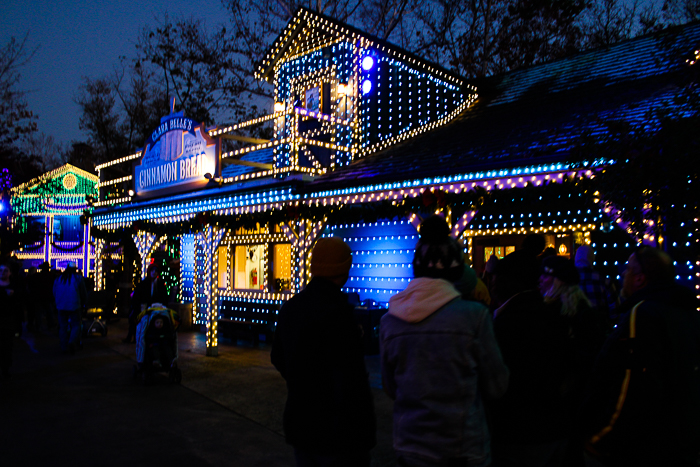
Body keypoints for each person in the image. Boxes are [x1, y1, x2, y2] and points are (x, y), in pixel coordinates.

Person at [381, 216, 509, 467]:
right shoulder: (474, 317)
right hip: (461, 448)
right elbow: (497, 386)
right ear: (456, 272)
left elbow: (390, 386)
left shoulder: (390, 320)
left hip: (410, 444)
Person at [584, 247, 700, 466]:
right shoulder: (686, 312)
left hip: (644, 446)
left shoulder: (643, 314)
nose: (623, 275)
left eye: (627, 270)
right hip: (681, 439)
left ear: (639, 279)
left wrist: (601, 439)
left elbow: (632, 386)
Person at [271, 237, 376, 467]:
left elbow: (277, 356)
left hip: (301, 422)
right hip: (338, 432)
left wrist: (299, 379)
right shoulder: (340, 314)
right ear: (343, 270)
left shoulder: (291, 308)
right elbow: (351, 379)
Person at [489, 251, 573, 467]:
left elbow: (497, 381)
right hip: (555, 426)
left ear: (504, 282)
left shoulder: (504, 324)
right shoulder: (555, 314)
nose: (491, 285)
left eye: (494, 279)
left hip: (516, 433)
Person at [539, 255, 608, 466]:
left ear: (559, 280)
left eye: (546, 275)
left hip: (565, 395)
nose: (541, 279)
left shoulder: (560, 311)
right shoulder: (581, 308)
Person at [123, 263, 168, 343]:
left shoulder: (160, 284)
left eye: (156, 271)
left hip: (156, 308)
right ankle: (132, 336)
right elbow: (137, 297)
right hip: (143, 307)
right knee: (134, 316)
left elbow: (163, 298)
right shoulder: (143, 284)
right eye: (152, 270)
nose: (154, 272)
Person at [574, 245, 617, 323]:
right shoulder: (604, 281)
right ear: (592, 259)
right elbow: (614, 309)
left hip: (574, 330)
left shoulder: (567, 280)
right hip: (599, 328)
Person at [53, 262, 87, 355]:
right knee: (76, 325)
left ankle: (64, 346)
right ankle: (72, 341)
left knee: (63, 326)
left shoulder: (59, 279)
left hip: (61, 306)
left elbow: (54, 292)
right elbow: (83, 292)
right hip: (74, 305)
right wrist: (84, 303)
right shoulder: (78, 278)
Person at [0, 261, 22, 380]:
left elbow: (19, 305)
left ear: (10, 273)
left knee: (7, 346)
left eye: (5, 271)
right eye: (1, 270)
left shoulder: (14, 286)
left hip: (8, 320)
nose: (2, 273)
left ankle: (5, 368)